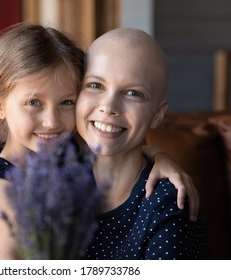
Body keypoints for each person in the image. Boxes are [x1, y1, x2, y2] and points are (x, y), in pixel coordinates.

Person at [0, 23, 199, 260]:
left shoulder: (65, 160)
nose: (52, 121)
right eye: (96, 85)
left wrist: (157, 155)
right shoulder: (10, 187)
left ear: (158, 113)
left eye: (66, 102)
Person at [77, 28, 205, 259]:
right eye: (95, 85)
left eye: (133, 93)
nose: (109, 106)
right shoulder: (50, 173)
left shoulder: (168, 205)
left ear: (157, 114)